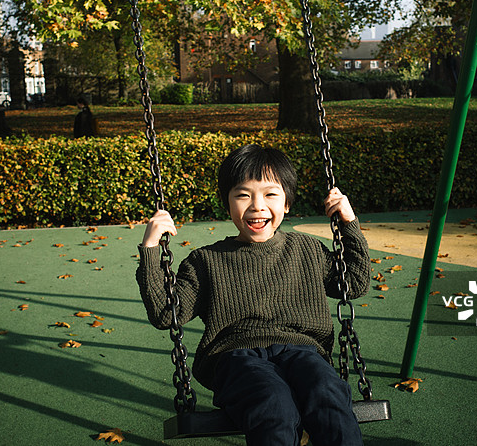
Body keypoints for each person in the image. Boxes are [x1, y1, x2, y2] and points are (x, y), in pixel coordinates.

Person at [136, 144, 370, 446]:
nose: (257, 206)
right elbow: (166, 314)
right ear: (227, 203)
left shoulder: (307, 249)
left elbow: (354, 283)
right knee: (272, 403)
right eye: (243, 195)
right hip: (237, 356)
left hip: (303, 350)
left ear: (287, 203)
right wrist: (151, 249)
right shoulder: (205, 261)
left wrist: (349, 223)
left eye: (270, 194)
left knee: (327, 393)